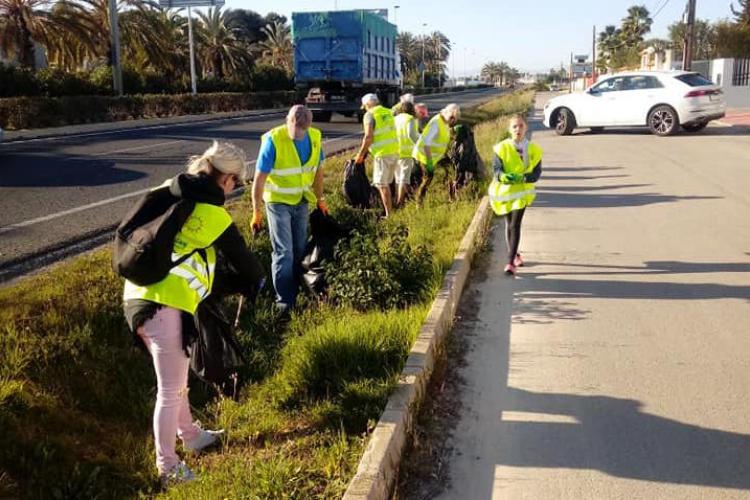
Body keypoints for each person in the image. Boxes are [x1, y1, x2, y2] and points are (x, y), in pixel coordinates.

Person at [123, 141, 265, 485]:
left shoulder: (167, 192)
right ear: (227, 179)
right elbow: (245, 262)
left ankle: (191, 436)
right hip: (164, 305)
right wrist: (257, 282)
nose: (234, 190)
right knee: (170, 389)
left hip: (137, 297)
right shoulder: (212, 214)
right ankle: (167, 467)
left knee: (177, 380)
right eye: (236, 183)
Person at [252, 105, 327, 318]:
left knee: (300, 248)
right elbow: (259, 180)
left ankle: (300, 289)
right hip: (277, 203)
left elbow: (319, 172)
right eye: (294, 130)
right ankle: (284, 302)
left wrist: (320, 199)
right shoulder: (273, 140)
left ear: (309, 126)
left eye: (300, 132)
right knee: (284, 252)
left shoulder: (314, 137)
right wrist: (256, 211)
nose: (296, 136)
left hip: (301, 201)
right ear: (287, 120)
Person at [488, 114, 543, 276]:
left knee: (515, 225)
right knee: (508, 225)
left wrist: (524, 177)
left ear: (526, 128)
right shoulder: (501, 148)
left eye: (520, 126)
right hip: (505, 193)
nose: (517, 129)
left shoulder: (533, 149)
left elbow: (537, 173)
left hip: (522, 193)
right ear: (509, 129)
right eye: (514, 126)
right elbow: (496, 170)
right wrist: (503, 177)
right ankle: (516, 254)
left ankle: (510, 262)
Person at [355, 93, 399, 217]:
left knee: (381, 184)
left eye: (364, 107)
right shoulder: (388, 112)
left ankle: (389, 214)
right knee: (389, 182)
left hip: (382, 154)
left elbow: (368, 137)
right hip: (394, 150)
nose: (364, 109)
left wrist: (361, 154)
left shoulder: (369, 115)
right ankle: (395, 206)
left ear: (367, 104)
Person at [413, 103, 461, 202]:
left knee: (452, 170)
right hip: (424, 154)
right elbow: (426, 143)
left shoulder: (445, 122)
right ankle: (419, 201)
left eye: (454, 120)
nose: (452, 122)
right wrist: (430, 163)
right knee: (428, 178)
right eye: (453, 118)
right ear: (449, 115)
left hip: (438, 155)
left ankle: (452, 197)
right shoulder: (436, 123)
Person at [394, 101, 420, 207]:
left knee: (398, 178)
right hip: (405, 153)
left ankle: (401, 198)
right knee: (404, 179)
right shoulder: (410, 119)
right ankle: (399, 203)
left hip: (394, 152)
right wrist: (419, 144)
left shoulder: (395, 119)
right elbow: (411, 135)